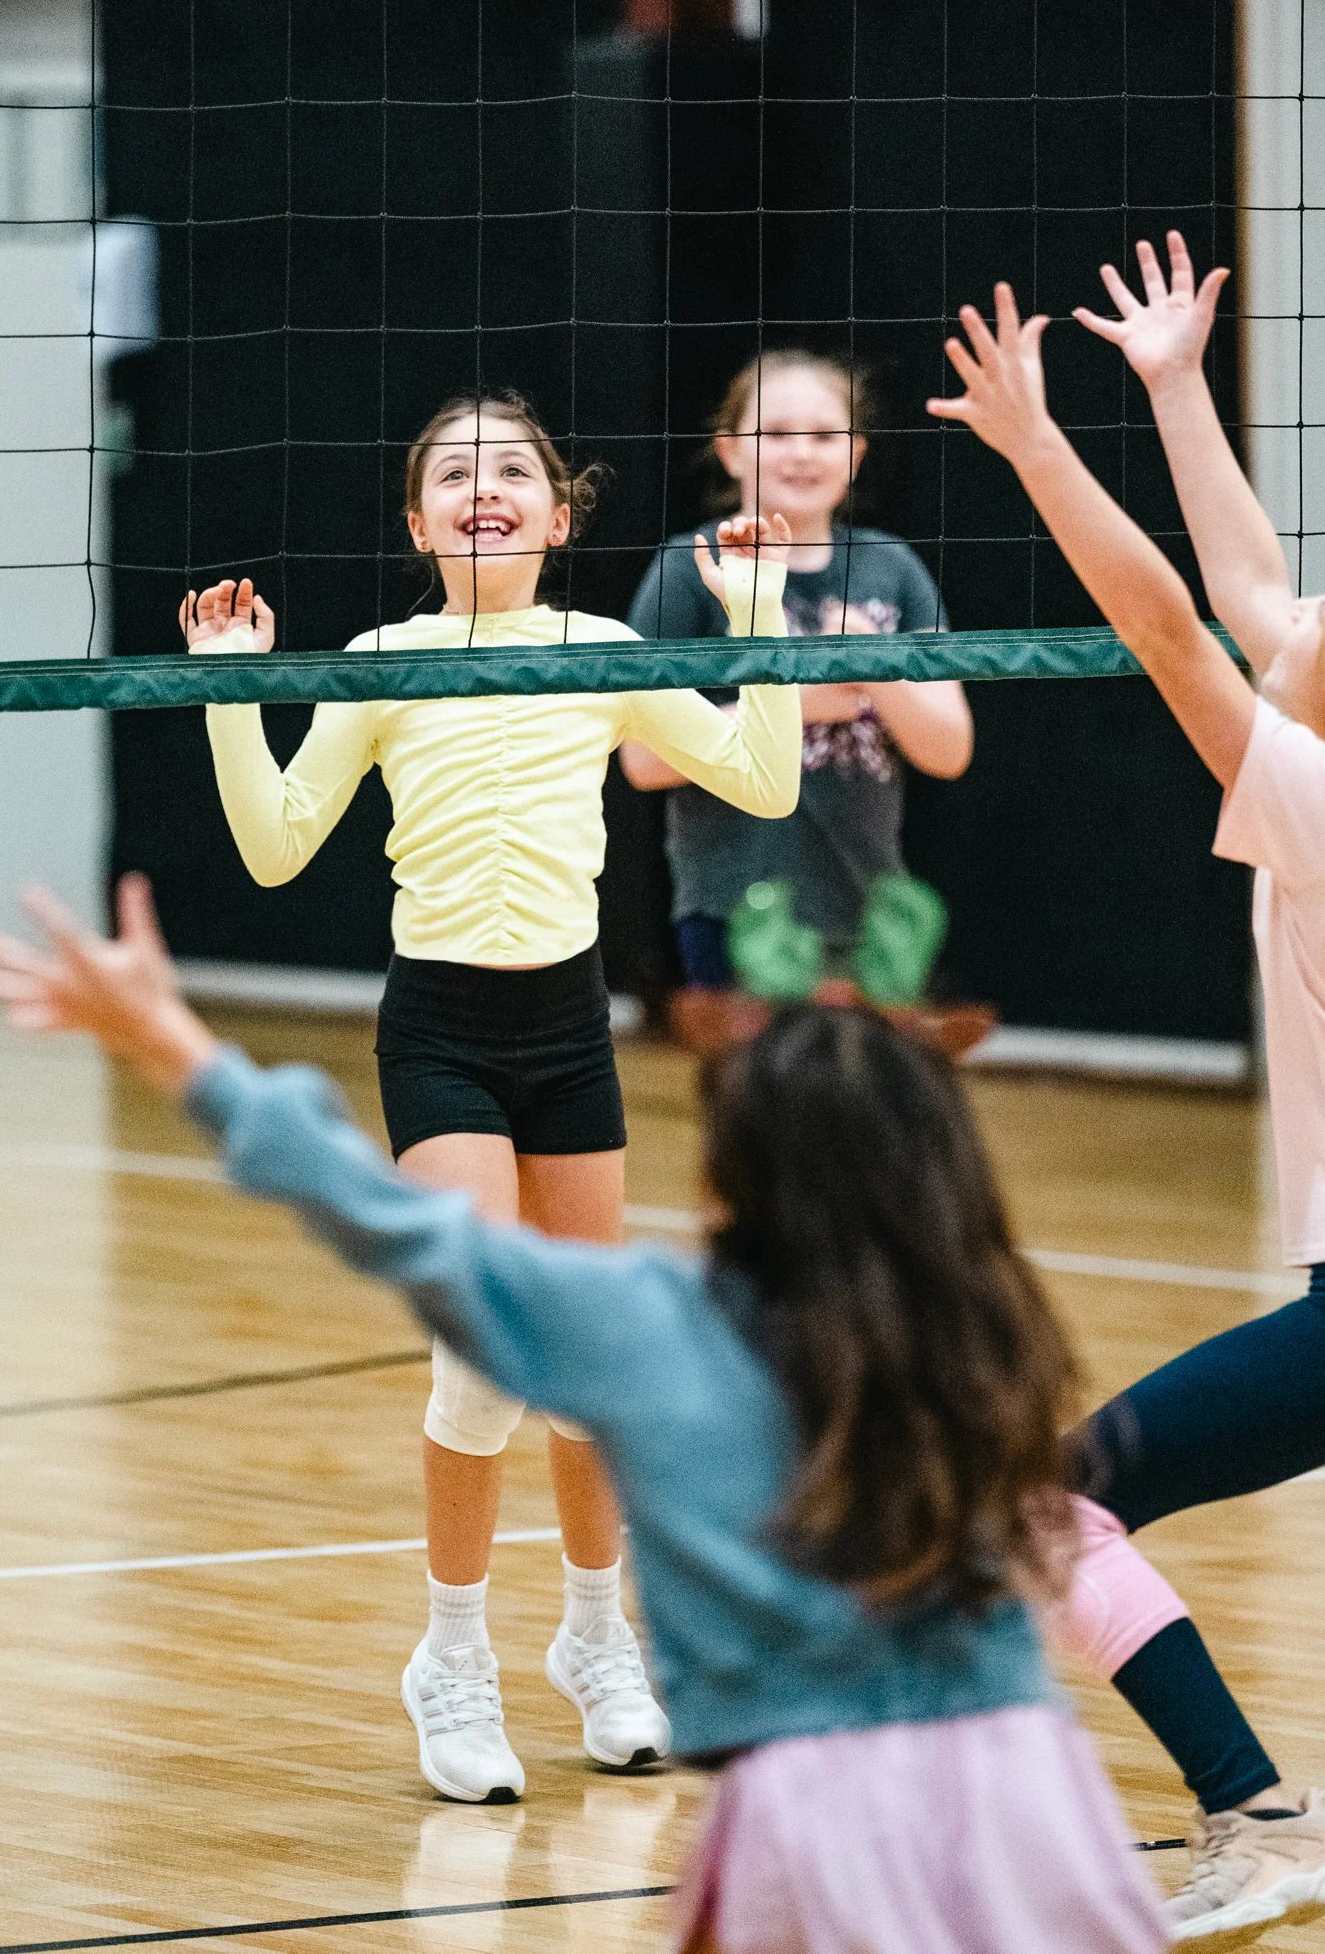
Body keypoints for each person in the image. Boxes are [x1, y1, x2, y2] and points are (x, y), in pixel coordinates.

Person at [0, 878, 1166, 1954]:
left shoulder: (654, 1324)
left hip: (813, 1818)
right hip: (1031, 1785)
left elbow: (402, 1230)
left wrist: (172, 1044)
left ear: (729, 1177)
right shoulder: (983, 1331)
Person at [176, 392, 804, 1803]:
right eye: (451, 473)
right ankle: (448, 1659)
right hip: (442, 1031)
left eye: (510, 469)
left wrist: (754, 608)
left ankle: (596, 1642)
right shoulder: (380, 662)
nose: (482, 488)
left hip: (565, 1028)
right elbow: (276, 851)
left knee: (587, 1361)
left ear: (558, 512)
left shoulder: (603, 652)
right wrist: (231, 689)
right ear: (415, 523)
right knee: (479, 1357)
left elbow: (761, 776)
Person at [929, 233, 1325, 1941]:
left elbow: (1176, 624)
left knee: (1050, 1493)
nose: (1293, 618)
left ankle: (1254, 1810)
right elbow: (1246, 598)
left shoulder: (1310, 798)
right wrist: (1171, 385)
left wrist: (1038, 447)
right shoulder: (1309, 736)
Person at [622, 350, 972, 990]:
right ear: (729, 451)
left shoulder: (893, 568)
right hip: (733, 905)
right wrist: (798, 698)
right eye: (777, 433)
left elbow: (950, 750)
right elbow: (642, 759)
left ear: (856, 453)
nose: (802, 453)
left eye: (823, 435)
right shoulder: (692, 567)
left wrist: (880, 673)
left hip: (870, 909)